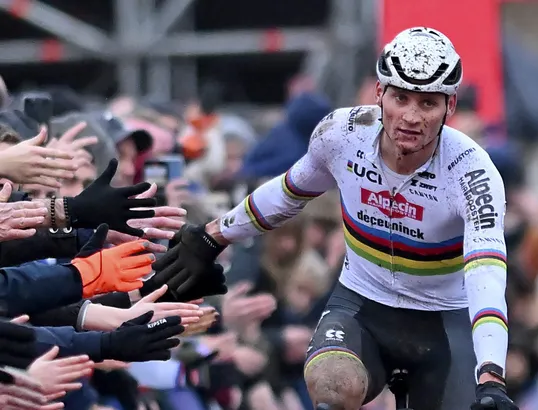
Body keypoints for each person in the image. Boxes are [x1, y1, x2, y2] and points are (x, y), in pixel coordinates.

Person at [153, 27, 518, 410]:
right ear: (379, 93)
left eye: (428, 103)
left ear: (450, 106)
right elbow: (288, 192)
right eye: (400, 98)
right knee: (330, 384)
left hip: (444, 320)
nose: (411, 116)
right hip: (363, 304)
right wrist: (214, 235)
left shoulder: (472, 173)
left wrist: (491, 376)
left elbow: (487, 274)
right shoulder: (343, 134)